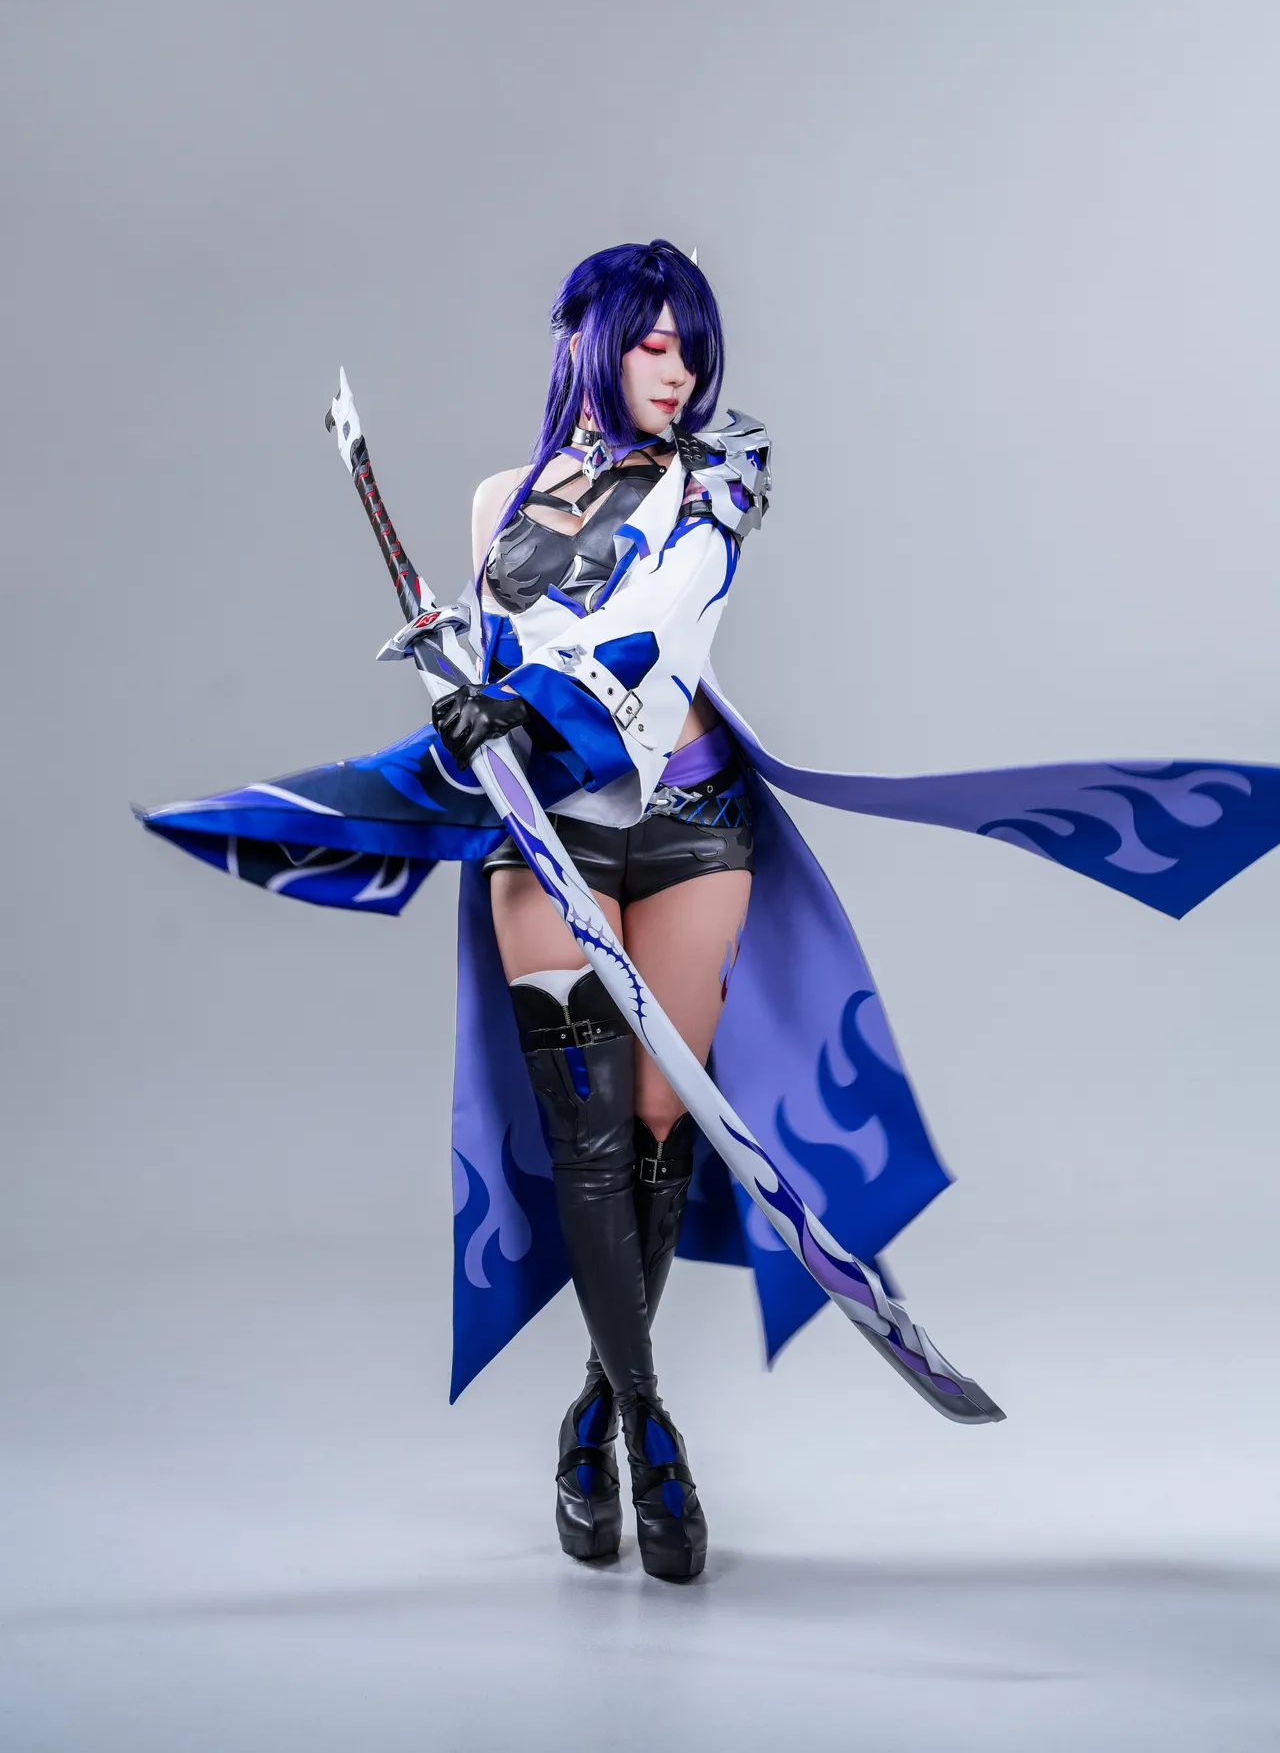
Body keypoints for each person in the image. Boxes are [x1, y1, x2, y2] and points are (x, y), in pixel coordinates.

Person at [140, 238, 1280, 1583]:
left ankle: (592, 1411)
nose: (678, 368)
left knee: (659, 1120)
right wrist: (463, 687)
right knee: (584, 1134)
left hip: (693, 823)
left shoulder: (723, 476)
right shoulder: (500, 500)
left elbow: (662, 623)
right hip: (547, 835)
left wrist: (530, 706)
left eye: (691, 345)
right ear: (591, 343)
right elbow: (501, 658)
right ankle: (648, 1425)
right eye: (652, 341)